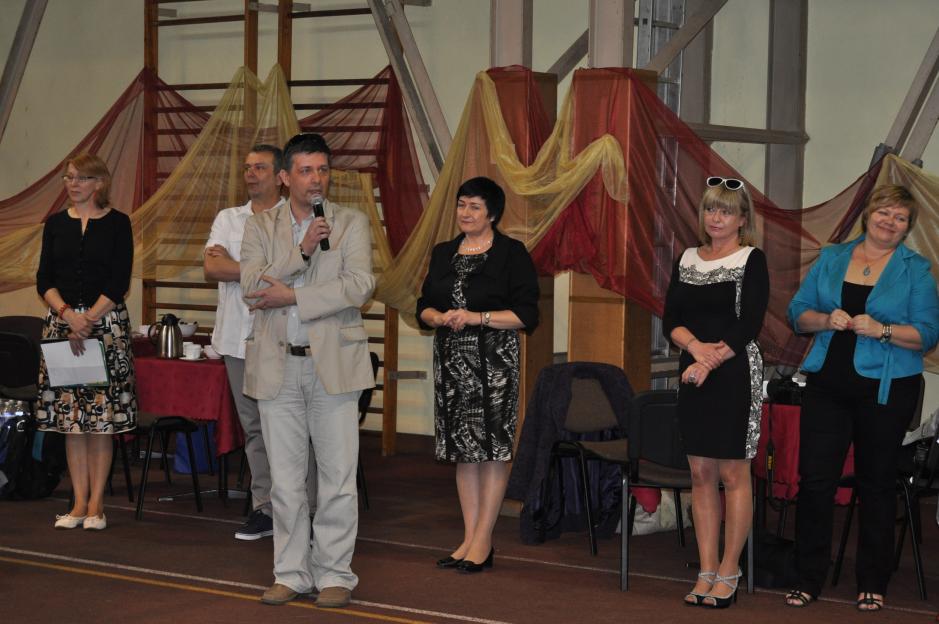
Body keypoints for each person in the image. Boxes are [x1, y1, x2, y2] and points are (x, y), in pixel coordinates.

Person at [785, 184, 939, 612]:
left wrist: (883, 330)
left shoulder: (915, 270)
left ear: (907, 228)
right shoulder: (832, 257)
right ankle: (807, 577)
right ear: (869, 214)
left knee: (876, 484)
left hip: (887, 391)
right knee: (815, 482)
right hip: (826, 387)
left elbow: (928, 334)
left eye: (900, 218)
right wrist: (824, 319)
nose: (890, 222)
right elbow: (797, 313)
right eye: (884, 212)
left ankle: (873, 580)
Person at [240, 133, 374, 609]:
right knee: (285, 480)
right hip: (278, 367)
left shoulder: (350, 222)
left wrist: (293, 295)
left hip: (333, 365)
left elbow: (359, 286)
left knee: (337, 476)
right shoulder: (259, 226)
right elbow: (252, 287)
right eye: (305, 171)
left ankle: (335, 573)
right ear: (285, 177)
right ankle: (291, 572)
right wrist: (301, 251)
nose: (316, 179)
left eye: (323, 170)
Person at [416, 176, 539, 574]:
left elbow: (526, 314)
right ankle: (469, 538)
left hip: (494, 363)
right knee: (464, 453)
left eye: (474, 206)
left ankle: (484, 539)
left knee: (492, 452)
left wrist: (476, 317)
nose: (465, 213)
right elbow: (423, 305)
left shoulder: (511, 253)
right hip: (451, 363)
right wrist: (437, 317)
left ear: (493, 214)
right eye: (461, 204)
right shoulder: (444, 252)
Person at [662, 176, 769, 608]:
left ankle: (729, 569)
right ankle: (706, 569)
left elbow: (749, 324)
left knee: (732, 474)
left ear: (742, 219)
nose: (716, 217)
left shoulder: (750, 259)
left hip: (734, 370)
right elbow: (671, 320)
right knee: (700, 474)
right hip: (694, 367)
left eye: (726, 211)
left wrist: (708, 361)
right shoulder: (687, 258)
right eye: (710, 209)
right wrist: (694, 351)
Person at [34, 153, 136, 531]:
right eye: (69, 177)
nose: (73, 184)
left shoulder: (118, 223)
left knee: (100, 420)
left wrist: (88, 319)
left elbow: (118, 280)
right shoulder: (55, 224)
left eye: (81, 178)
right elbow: (44, 279)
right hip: (63, 326)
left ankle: (97, 506)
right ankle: (77, 503)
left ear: (99, 183)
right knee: (72, 420)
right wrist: (68, 316)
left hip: (104, 326)